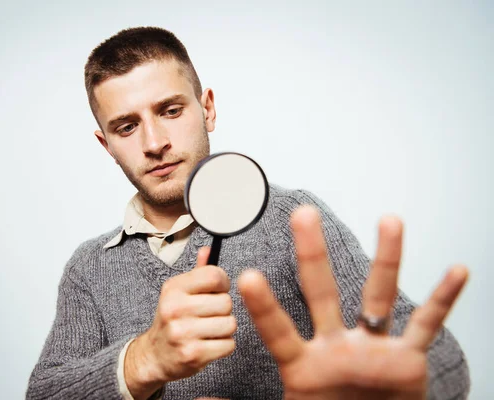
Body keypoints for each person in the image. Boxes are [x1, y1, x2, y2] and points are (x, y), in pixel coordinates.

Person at [26, 27, 470, 400]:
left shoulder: (293, 220)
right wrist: (144, 359)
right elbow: (44, 392)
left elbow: (438, 361)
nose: (154, 142)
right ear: (106, 144)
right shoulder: (89, 268)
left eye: (171, 110)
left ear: (208, 109)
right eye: (127, 126)